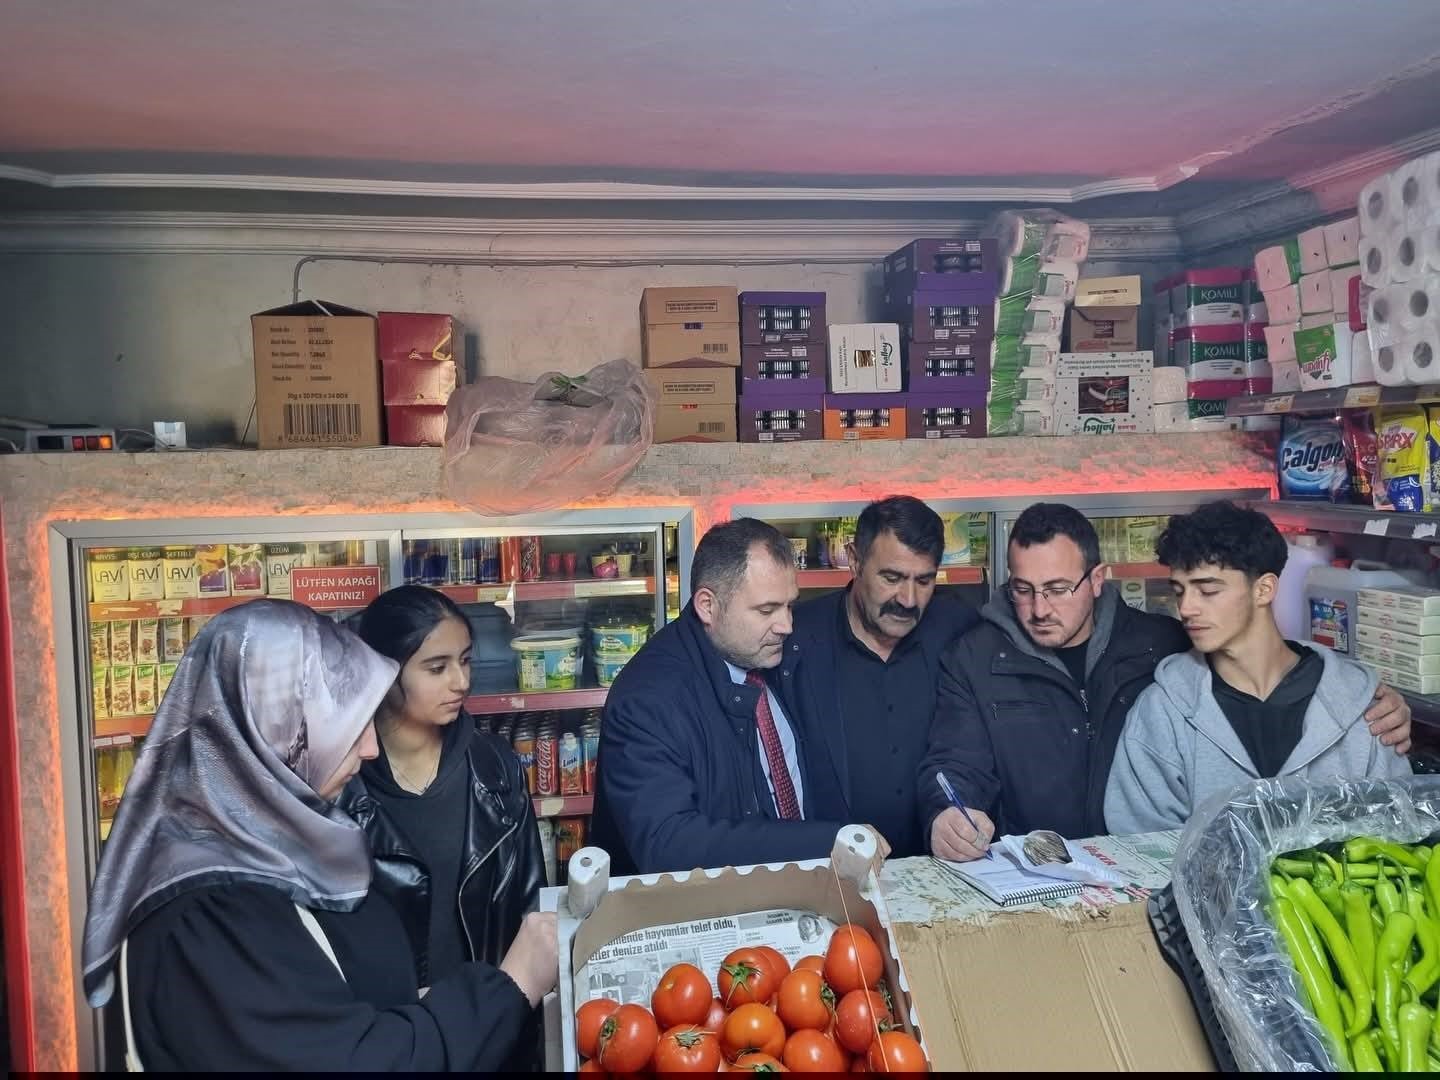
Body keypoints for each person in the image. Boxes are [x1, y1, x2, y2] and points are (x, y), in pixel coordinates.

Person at [80, 599, 557, 1071]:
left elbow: (324, 1012)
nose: (370, 748)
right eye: (346, 724)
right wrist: (512, 985)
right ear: (273, 726)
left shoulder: (263, 849)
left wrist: (440, 1003)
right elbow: (356, 1061)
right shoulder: (207, 916)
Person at [918, 502, 1413, 861]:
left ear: (1097, 579)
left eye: (1058, 588)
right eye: (1023, 590)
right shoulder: (976, 658)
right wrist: (947, 813)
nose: (1039, 608)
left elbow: (1403, 830)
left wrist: (1362, 697)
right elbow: (956, 762)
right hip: (1042, 878)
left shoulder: (1160, 645)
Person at [1105, 501, 1413, 832]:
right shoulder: (1162, 712)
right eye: (1179, 591)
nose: (1187, 608)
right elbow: (1142, 843)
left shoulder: (1361, 706)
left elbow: (1399, 828)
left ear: (1264, 589)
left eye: (1207, 590)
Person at [337, 585, 546, 1067]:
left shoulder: (495, 769)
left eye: (466, 661)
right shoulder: (341, 785)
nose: (460, 681)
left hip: (493, 1029)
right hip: (391, 1043)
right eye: (437, 668)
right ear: (385, 672)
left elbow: (530, 903)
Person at [590, 518, 864, 875]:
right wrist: (826, 842)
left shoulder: (772, 656)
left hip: (787, 892)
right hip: (692, 906)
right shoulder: (646, 700)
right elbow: (668, 843)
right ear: (707, 605)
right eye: (766, 610)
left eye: (789, 606)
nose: (786, 626)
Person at [790, 496, 978, 858]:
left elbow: (975, 750)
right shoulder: (796, 638)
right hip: (831, 871)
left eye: (924, 581)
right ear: (855, 561)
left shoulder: (958, 630)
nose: (908, 599)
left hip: (938, 866)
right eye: (892, 578)